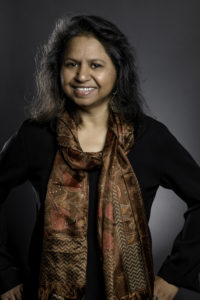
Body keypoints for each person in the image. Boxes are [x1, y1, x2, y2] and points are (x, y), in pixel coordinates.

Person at [0, 14, 200, 300]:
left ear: (118, 70)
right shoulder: (36, 136)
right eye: (72, 64)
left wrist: (174, 274)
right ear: (58, 71)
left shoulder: (150, 138)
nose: (82, 76)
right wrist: (4, 275)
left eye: (96, 65)